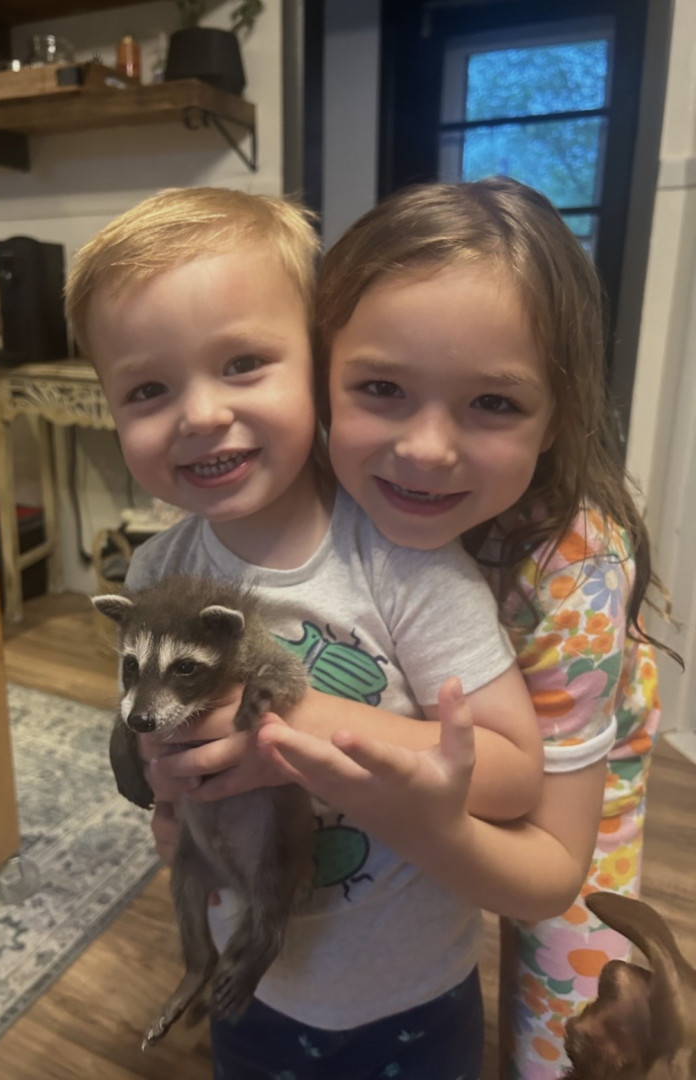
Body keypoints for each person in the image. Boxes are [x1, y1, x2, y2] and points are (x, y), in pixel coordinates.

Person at [64, 185, 546, 1080]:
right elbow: (159, 736)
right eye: (148, 389)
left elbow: (514, 774)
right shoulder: (158, 572)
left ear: (323, 369)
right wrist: (165, 793)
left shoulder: (401, 560)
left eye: (243, 363)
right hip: (256, 983)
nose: (199, 414)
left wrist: (301, 731)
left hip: (409, 992)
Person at [255, 177, 680, 1080]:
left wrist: (424, 823)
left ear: (558, 414)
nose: (427, 449)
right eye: (382, 388)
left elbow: (552, 870)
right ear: (321, 379)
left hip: (574, 755)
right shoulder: (312, 488)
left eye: (494, 403)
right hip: (436, 750)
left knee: (567, 1033)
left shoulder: (576, 574)